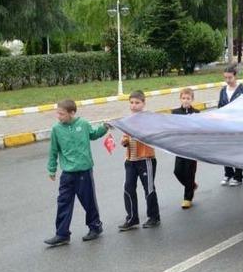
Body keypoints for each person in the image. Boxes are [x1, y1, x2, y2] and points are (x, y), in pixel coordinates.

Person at [44, 99, 110, 246]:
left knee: (88, 201)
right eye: (57, 113)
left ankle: (95, 227)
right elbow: (53, 151)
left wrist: (104, 128)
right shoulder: (56, 129)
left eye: (61, 114)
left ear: (72, 113)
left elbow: (93, 134)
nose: (58, 116)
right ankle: (62, 234)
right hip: (67, 174)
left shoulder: (83, 124)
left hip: (84, 172)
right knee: (63, 203)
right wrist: (52, 169)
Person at [118, 91, 161, 230]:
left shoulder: (148, 119)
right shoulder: (128, 119)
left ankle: (154, 217)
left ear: (143, 103)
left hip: (145, 159)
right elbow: (125, 137)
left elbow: (152, 135)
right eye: (131, 102)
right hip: (130, 160)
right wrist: (124, 141)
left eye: (137, 103)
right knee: (128, 188)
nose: (134, 105)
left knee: (148, 188)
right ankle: (131, 218)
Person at [220, 64, 243, 186]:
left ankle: (238, 176)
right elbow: (220, 107)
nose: (228, 80)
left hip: (239, 125)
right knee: (225, 150)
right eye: (225, 78)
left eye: (230, 78)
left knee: (238, 151)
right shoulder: (223, 90)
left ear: (235, 76)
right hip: (225, 126)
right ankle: (228, 173)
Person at [172, 88, 200, 209]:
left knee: (190, 172)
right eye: (183, 98)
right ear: (180, 99)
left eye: (188, 98)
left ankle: (187, 198)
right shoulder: (175, 112)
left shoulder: (197, 113)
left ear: (192, 99)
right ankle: (192, 185)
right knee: (177, 171)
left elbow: (200, 128)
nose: (186, 100)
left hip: (192, 147)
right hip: (179, 147)